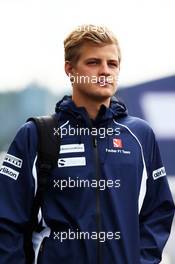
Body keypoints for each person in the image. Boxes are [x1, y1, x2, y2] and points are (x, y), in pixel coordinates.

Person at [0, 24, 174, 264]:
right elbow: (6, 221)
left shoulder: (140, 135)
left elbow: (159, 211)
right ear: (70, 69)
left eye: (112, 64)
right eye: (93, 63)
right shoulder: (36, 135)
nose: (105, 71)